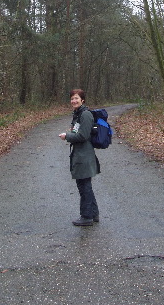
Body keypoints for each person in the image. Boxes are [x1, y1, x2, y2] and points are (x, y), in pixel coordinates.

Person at [59, 88, 100, 226]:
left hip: (85, 155)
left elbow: (83, 135)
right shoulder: (77, 114)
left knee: (84, 186)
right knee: (84, 184)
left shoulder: (86, 114)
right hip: (80, 154)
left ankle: (86, 216)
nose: (74, 101)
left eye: (76, 98)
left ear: (82, 100)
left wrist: (67, 136)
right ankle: (93, 214)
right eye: (72, 99)